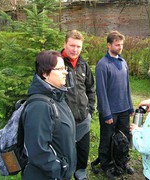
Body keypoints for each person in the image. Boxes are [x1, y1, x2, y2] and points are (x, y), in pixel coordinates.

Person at [22, 50, 76, 180]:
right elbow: (38, 150)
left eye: (65, 67)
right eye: (60, 69)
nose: (66, 72)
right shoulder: (39, 106)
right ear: (45, 73)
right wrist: (59, 170)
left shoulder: (58, 97)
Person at [95, 30, 135, 178]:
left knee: (124, 138)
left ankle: (122, 162)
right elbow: (101, 91)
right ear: (109, 45)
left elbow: (127, 86)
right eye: (117, 45)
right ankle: (106, 165)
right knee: (107, 139)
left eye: (121, 45)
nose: (120, 47)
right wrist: (106, 113)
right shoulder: (102, 65)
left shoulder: (123, 62)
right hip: (110, 112)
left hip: (124, 109)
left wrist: (130, 106)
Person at [61, 30, 95, 180]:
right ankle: (64, 173)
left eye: (78, 46)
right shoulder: (57, 64)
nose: (75, 50)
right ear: (65, 44)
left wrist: (90, 111)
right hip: (64, 122)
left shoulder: (83, 65)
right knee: (65, 152)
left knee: (83, 150)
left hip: (83, 119)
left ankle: (80, 173)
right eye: (72, 45)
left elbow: (90, 89)